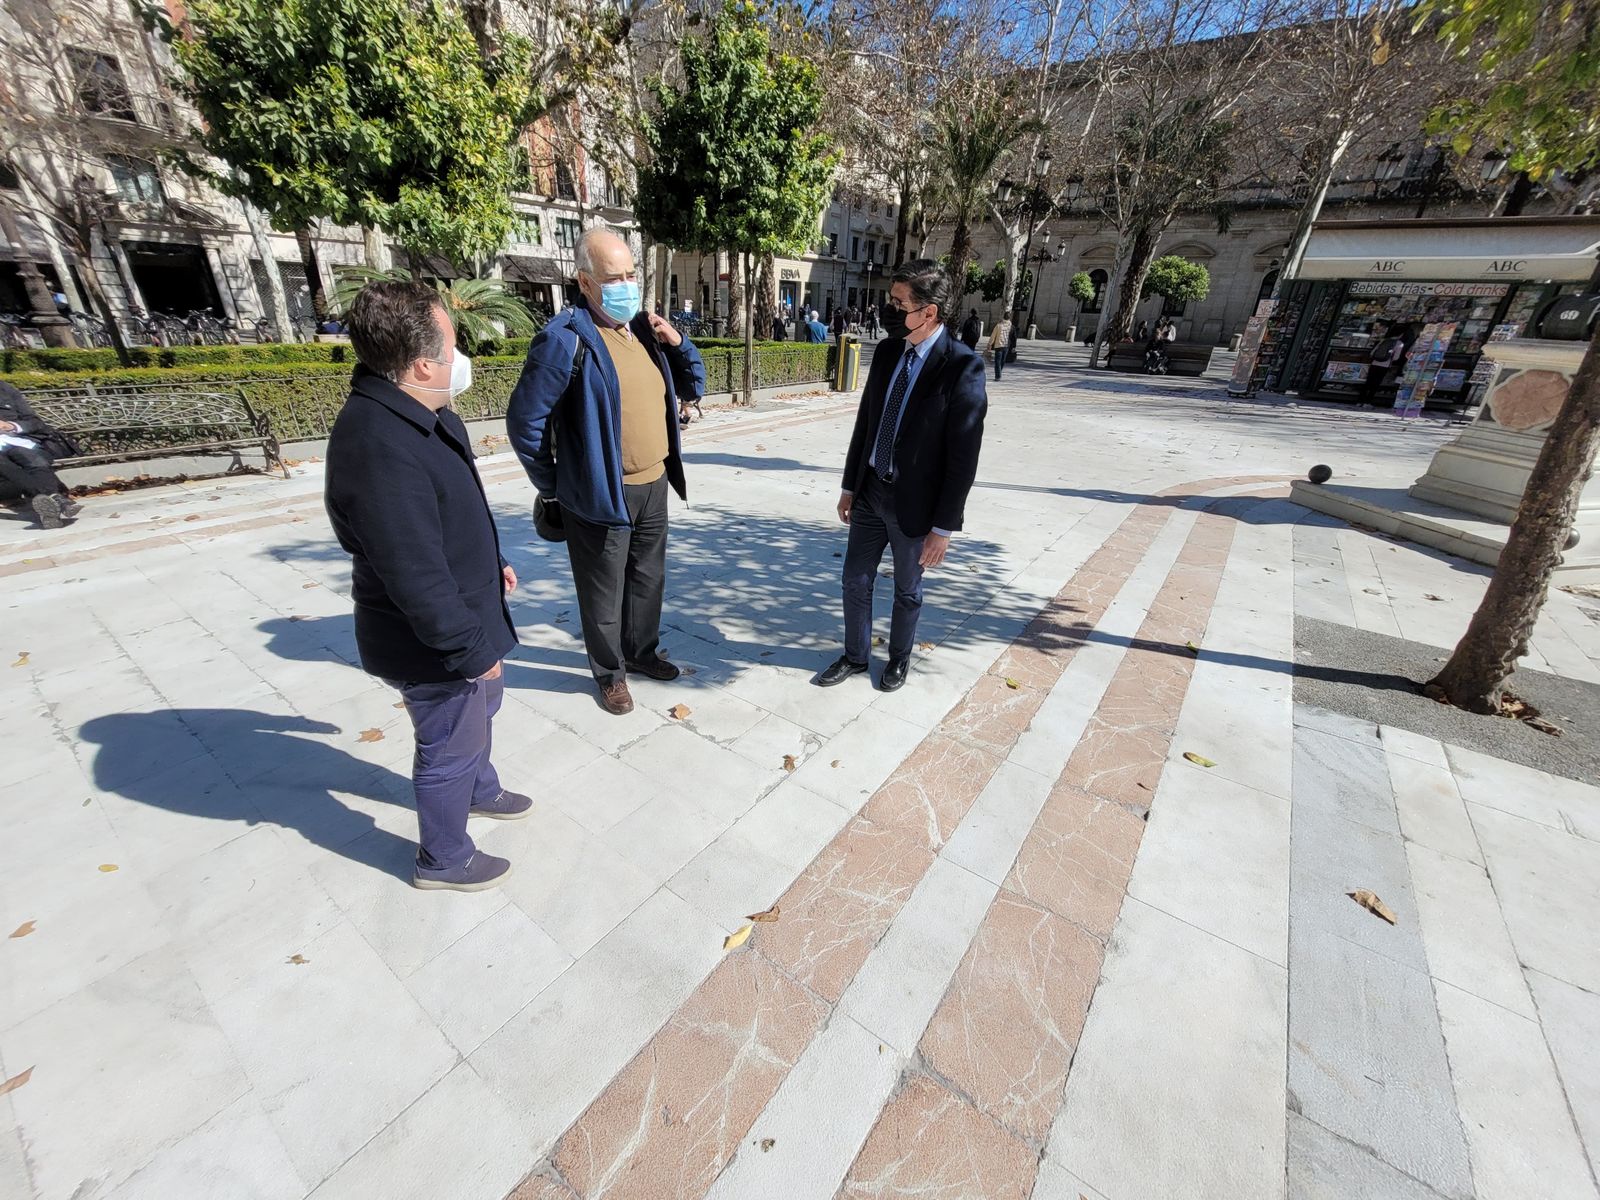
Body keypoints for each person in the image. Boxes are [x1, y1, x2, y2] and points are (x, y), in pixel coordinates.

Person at [324, 281, 527, 893]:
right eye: (453, 346)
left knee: (480, 711)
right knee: (447, 740)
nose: (459, 358)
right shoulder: (378, 442)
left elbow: (451, 512)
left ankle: (479, 788)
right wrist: (470, 651)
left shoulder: (421, 413)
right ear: (420, 364)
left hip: (467, 608)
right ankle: (444, 858)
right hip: (432, 639)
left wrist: (491, 563)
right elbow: (412, 570)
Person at [506, 228, 706, 716]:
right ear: (586, 282)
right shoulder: (563, 339)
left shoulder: (641, 328)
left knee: (647, 579)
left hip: (653, 483)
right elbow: (524, 422)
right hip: (599, 494)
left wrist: (676, 340)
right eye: (613, 277)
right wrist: (556, 485)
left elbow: (695, 383)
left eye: (631, 274)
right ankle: (609, 673)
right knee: (602, 592)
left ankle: (640, 653)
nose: (626, 285)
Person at [819, 259, 987, 694]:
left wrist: (943, 528)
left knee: (907, 590)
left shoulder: (962, 367)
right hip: (872, 492)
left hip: (916, 507)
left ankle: (898, 658)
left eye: (898, 302)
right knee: (854, 579)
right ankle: (856, 656)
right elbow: (867, 422)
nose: (888, 309)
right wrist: (850, 485)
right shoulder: (890, 351)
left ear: (928, 312)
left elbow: (962, 458)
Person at [0, 381, 81, 529]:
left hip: (15, 441)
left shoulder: (5, 389)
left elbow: (35, 422)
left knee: (31, 458)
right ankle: (57, 498)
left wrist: (11, 426)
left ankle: (50, 509)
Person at [1363, 321, 1407, 403]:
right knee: (1376, 384)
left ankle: (1360, 401)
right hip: (1385, 365)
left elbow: (1373, 353)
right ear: (1401, 334)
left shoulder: (1383, 340)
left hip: (1374, 363)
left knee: (1368, 382)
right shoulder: (1399, 344)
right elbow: (1396, 358)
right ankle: (1368, 401)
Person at [987, 313, 1014, 381]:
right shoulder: (1011, 326)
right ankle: (999, 373)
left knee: (997, 362)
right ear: (1009, 318)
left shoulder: (998, 326)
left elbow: (993, 335)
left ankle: (998, 376)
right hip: (1006, 345)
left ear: (1003, 317)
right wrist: (1013, 346)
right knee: (1002, 361)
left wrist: (990, 344)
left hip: (999, 345)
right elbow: (1013, 336)